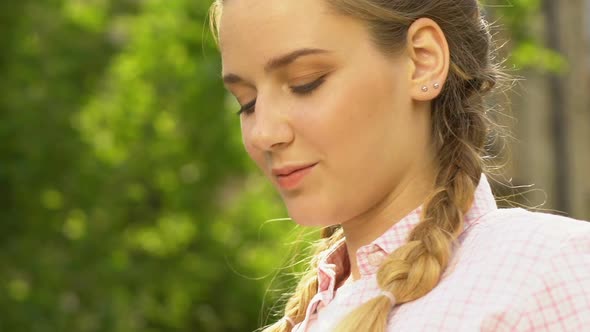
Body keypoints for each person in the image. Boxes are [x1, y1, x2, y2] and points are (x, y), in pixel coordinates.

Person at [209, 0, 590, 331]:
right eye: (247, 102)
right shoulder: (316, 311)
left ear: (422, 61)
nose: (263, 133)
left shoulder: (546, 273)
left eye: (306, 82)